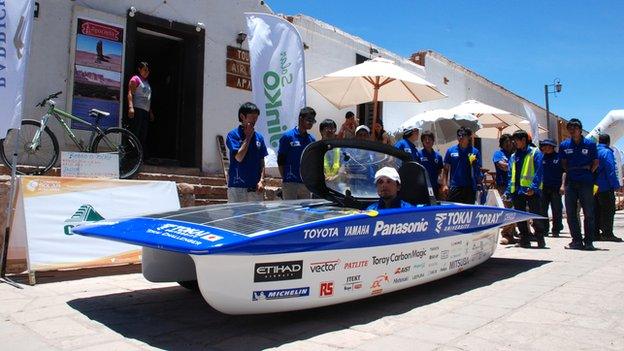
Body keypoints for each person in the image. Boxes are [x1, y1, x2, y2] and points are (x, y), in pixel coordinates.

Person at [559, 118, 599, 250]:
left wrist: (587, 172)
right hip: (571, 181)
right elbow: (563, 162)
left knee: (588, 212)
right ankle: (576, 241)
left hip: (586, 181)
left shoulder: (590, 144)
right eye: (569, 128)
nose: (571, 130)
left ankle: (588, 242)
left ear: (580, 129)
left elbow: (595, 162)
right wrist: (570, 172)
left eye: (574, 128)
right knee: (571, 213)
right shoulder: (564, 145)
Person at [504, 130, 545, 248]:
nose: (514, 143)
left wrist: (533, 187)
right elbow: (510, 175)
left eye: (516, 140)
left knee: (535, 215)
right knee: (520, 217)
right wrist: (508, 191)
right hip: (517, 191)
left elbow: (539, 172)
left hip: (531, 191)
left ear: (523, 140)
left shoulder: (535, 152)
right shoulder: (513, 156)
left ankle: (540, 238)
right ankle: (525, 239)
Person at [225, 102, 268, 203]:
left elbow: (261, 161)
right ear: (242, 116)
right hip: (237, 188)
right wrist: (248, 137)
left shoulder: (259, 138)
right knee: (237, 218)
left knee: (255, 219)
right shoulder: (233, 135)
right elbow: (239, 157)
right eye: (251, 117)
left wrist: (262, 180)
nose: (254, 120)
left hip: (255, 189)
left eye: (256, 117)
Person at [278, 107, 317, 199]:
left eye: (313, 120)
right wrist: (286, 178)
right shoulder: (287, 137)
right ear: (300, 118)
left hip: (305, 184)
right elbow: (281, 160)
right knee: (290, 212)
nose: (311, 123)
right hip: (290, 183)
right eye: (309, 120)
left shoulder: (312, 140)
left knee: (305, 213)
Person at [441, 127, 482, 204]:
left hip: (469, 187)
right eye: (458, 135)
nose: (460, 137)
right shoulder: (451, 150)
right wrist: (444, 185)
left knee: (468, 211)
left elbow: (478, 170)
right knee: (453, 210)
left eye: (463, 135)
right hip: (455, 186)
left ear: (469, 137)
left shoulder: (474, 151)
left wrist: (479, 184)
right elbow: (445, 170)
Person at [594, 133, 622, 242]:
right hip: (605, 186)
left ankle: (595, 233)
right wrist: (615, 185)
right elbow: (610, 170)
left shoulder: (594, 151)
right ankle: (607, 233)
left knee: (596, 210)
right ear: (608, 142)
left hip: (594, 187)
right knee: (608, 210)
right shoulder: (607, 152)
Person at [493, 133, 518, 244]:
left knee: (516, 208)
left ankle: (516, 231)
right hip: (503, 185)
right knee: (507, 209)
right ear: (502, 143)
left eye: (510, 142)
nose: (509, 144)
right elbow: (502, 166)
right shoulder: (498, 154)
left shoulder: (515, 154)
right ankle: (507, 234)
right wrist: (514, 167)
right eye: (506, 142)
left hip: (515, 184)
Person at [127, 62, 154, 159]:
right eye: (145, 70)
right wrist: (131, 107)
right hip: (137, 110)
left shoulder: (146, 82)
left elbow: (148, 98)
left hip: (145, 112)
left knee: (143, 135)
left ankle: (139, 157)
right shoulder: (135, 79)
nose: (147, 72)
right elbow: (130, 93)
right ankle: (131, 157)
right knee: (135, 134)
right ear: (139, 69)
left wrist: (150, 112)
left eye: (148, 70)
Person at [539, 138, 564, 237]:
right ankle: (545, 229)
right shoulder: (541, 158)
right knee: (542, 209)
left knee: (556, 209)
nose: (544, 147)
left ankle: (556, 229)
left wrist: (563, 185)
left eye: (546, 145)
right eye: (543, 146)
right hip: (543, 187)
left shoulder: (559, 157)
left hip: (556, 187)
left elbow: (564, 172)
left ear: (551, 147)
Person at [419, 131, 444, 198]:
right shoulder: (418, 154)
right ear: (422, 142)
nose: (427, 141)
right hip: (422, 187)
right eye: (425, 139)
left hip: (434, 187)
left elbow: (440, 171)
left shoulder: (438, 156)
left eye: (429, 139)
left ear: (433, 141)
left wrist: (441, 186)